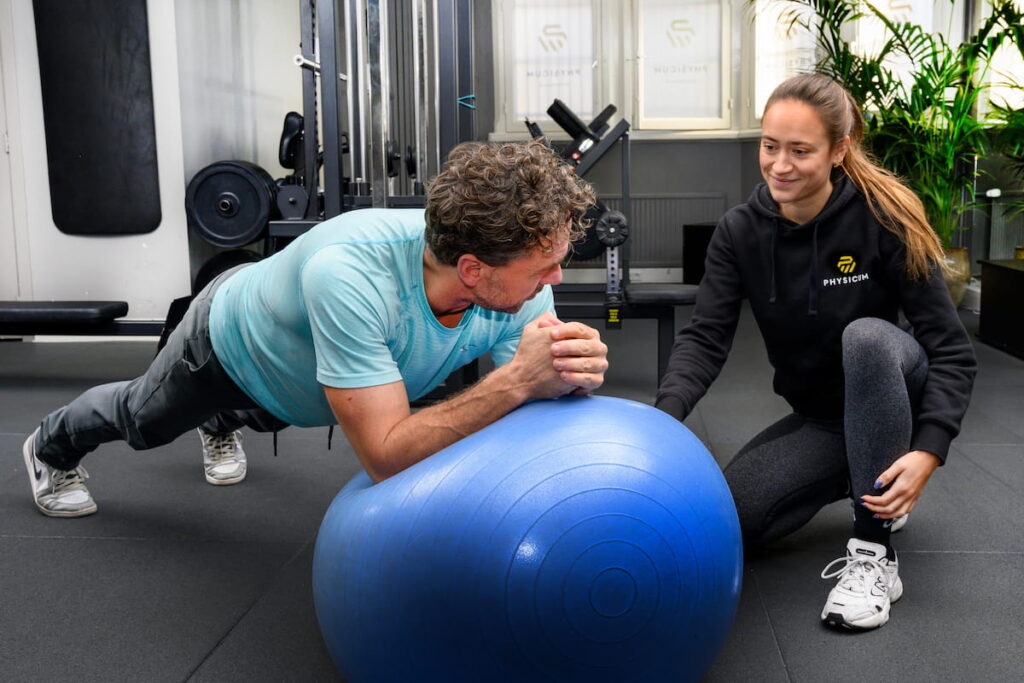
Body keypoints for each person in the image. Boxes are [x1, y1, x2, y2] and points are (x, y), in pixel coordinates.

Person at [23, 140, 609, 517]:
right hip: (228, 343)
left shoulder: (520, 283)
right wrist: (518, 383)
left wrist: (566, 372)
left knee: (275, 409)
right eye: (543, 267)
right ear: (474, 271)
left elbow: (530, 397)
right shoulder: (351, 275)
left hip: (299, 382)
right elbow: (385, 456)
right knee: (143, 421)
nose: (555, 278)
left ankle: (225, 419)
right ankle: (51, 444)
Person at [655, 73, 976, 631]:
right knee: (732, 524)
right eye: (769, 146)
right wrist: (662, 421)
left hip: (898, 385)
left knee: (867, 336)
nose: (780, 164)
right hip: (823, 419)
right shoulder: (739, 233)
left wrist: (928, 450)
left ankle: (874, 554)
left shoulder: (885, 220)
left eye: (800, 151)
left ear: (838, 150)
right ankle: (864, 475)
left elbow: (952, 350)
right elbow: (705, 338)